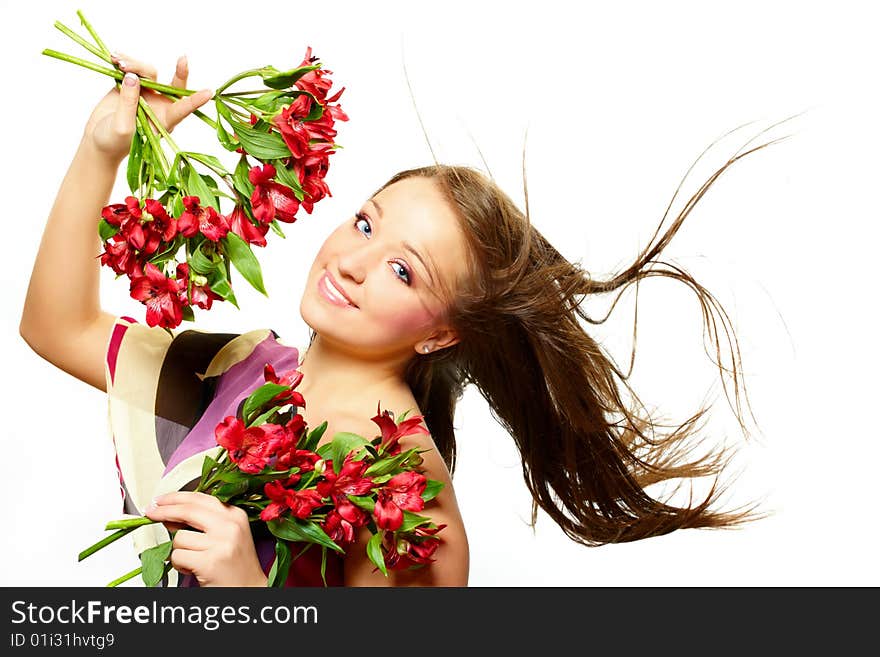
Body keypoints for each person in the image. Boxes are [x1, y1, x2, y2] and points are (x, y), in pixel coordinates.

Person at [19, 52, 771, 588]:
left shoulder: (405, 486)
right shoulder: (250, 369)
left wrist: (248, 596)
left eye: (404, 269)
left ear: (443, 331)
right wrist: (102, 151)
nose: (351, 260)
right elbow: (56, 327)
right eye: (365, 223)